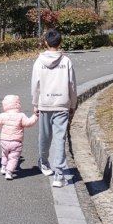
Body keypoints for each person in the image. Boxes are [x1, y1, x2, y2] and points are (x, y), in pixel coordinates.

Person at [31, 28, 77, 188]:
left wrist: (35, 104)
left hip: (44, 104)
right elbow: (72, 85)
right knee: (59, 139)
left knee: (44, 136)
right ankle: (59, 175)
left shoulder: (38, 62)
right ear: (60, 42)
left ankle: (44, 163)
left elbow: (35, 85)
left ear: (45, 42)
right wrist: (73, 104)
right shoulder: (66, 61)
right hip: (62, 105)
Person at [0, 94, 38, 180]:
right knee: (13, 157)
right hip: (16, 141)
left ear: (5, 105)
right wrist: (35, 116)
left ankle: (3, 167)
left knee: (5, 153)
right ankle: (9, 172)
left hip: (4, 141)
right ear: (18, 104)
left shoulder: (3, 115)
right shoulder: (21, 115)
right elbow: (28, 123)